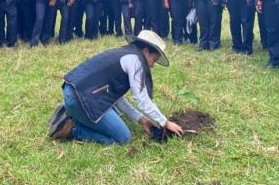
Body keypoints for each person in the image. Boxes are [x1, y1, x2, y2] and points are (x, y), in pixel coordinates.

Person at [49, 30, 184, 144]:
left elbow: (116, 99)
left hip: (74, 91)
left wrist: (142, 120)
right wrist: (165, 123)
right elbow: (141, 100)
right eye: (154, 60)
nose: (152, 65)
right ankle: (72, 129)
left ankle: (73, 113)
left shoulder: (124, 53)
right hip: (80, 99)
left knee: (116, 113)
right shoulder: (136, 61)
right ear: (146, 51)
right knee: (123, 138)